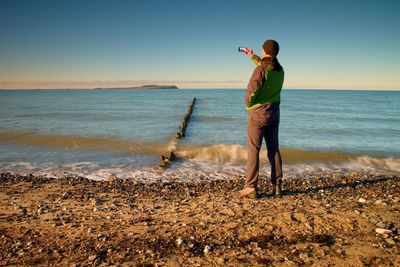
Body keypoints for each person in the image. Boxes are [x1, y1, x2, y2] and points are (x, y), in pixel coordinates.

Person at [239, 39, 285, 198]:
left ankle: (251, 187)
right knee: (274, 149)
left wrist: (249, 105)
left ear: (265, 50)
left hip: (258, 115)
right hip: (274, 114)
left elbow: (250, 94)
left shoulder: (260, 70)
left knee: (253, 150)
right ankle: (277, 185)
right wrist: (252, 56)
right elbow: (267, 66)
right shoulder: (280, 70)